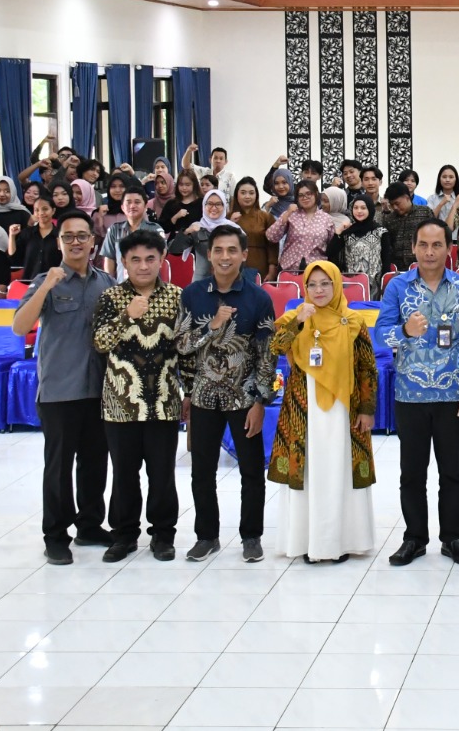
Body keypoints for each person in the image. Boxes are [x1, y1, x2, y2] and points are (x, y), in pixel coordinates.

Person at [377, 218, 459, 566]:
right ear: (413, 248)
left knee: (452, 471)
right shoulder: (397, 287)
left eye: (437, 245)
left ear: (449, 248)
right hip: (410, 396)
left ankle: (452, 538)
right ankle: (414, 538)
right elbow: (380, 336)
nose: (429, 251)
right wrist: (404, 331)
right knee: (412, 472)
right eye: (423, 244)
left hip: (453, 395)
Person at [15, 211, 114, 565]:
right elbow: (18, 326)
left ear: (93, 242)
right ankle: (55, 535)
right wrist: (45, 287)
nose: (76, 242)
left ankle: (89, 525)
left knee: (94, 463)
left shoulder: (107, 283)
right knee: (58, 466)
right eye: (68, 237)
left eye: (82, 236)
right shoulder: (47, 280)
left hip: (100, 389)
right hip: (59, 389)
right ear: (59, 243)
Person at [176, 225, 275, 562]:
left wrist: (261, 401)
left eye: (232, 250)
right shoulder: (192, 294)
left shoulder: (258, 298)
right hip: (203, 397)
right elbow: (182, 345)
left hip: (243, 398)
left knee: (250, 470)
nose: (225, 257)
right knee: (202, 470)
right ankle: (207, 536)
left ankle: (251, 536)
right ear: (209, 253)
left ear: (244, 255)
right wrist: (212, 326)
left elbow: (267, 355)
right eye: (218, 250)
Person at [269, 260, 379, 563]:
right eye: (313, 285)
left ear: (336, 285)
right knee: (309, 471)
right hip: (305, 411)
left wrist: (367, 410)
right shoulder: (295, 317)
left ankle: (342, 541)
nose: (319, 290)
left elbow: (368, 368)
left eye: (325, 283)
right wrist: (298, 323)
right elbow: (275, 347)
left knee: (339, 469)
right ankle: (306, 542)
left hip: (343, 411)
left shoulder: (353, 321)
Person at [91, 228, 183, 562]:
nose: (143, 266)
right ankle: (124, 534)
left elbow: (184, 350)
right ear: (125, 262)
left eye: (150, 259)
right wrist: (126, 316)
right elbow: (100, 342)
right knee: (124, 473)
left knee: (162, 472)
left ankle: (163, 534)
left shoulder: (176, 296)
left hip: (163, 400)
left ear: (161, 260)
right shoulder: (112, 298)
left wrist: (186, 393)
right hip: (120, 402)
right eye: (135, 259)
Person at [267, 179, 335, 274]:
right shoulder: (291, 214)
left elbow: (331, 247)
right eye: (301, 195)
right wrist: (287, 214)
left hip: (316, 271)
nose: (305, 197)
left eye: (308, 193)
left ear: (316, 194)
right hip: (289, 269)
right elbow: (271, 236)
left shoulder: (327, 219)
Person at [100, 185, 164, 282]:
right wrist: (111, 285)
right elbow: (109, 260)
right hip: (122, 288)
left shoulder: (155, 230)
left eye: (137, 202)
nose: (132, 206)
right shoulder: (114, 230)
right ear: (122, 207)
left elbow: (161, 256)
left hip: (149, 286)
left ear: (145, 206)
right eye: (128, 202)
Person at [168, 190, 232, 282]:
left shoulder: (232, 229)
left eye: (218, 204)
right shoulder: (197, 228)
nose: (214, 208)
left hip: (226, 281)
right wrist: (186, 232)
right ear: (204, 206)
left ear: (224, 206)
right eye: (209, 204)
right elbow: (174, 250)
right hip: (201, 281)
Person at [331, 192, 386, 291]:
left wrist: (385, 284)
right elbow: (330, 252)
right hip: (351, 283)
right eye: (355, 208)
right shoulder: (347, 233)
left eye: (363, 208)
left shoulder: (381, 231)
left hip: (375, 285)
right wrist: (338, 232)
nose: (359, 211)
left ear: (370, 209)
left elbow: (386, 259)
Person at [229, 177, 279, 280]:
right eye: (243, 193)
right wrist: (229, 223)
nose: (247, 196)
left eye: (251, 193)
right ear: (236, 195)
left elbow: (273, 245)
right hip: (234, 264)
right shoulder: (228, 217)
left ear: (256, 195)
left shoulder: (266, 217)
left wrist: (272, 268)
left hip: (260, 265)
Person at [379, 183, 436, 273]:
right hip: (397, 268)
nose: (395, 207)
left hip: (421, 264)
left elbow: (434, 237)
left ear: (407, 197)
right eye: (392, 204)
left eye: (397, 203)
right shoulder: (389, 219)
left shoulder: (425, 213)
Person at [9, 194, 61, 279]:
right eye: (36, 210)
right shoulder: (27, 233)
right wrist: (12, 236)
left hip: (54, 285)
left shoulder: (60, 235)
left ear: (53, 211)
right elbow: (14, 257)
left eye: (45, 209)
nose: (41, 213)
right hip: (30, 283)